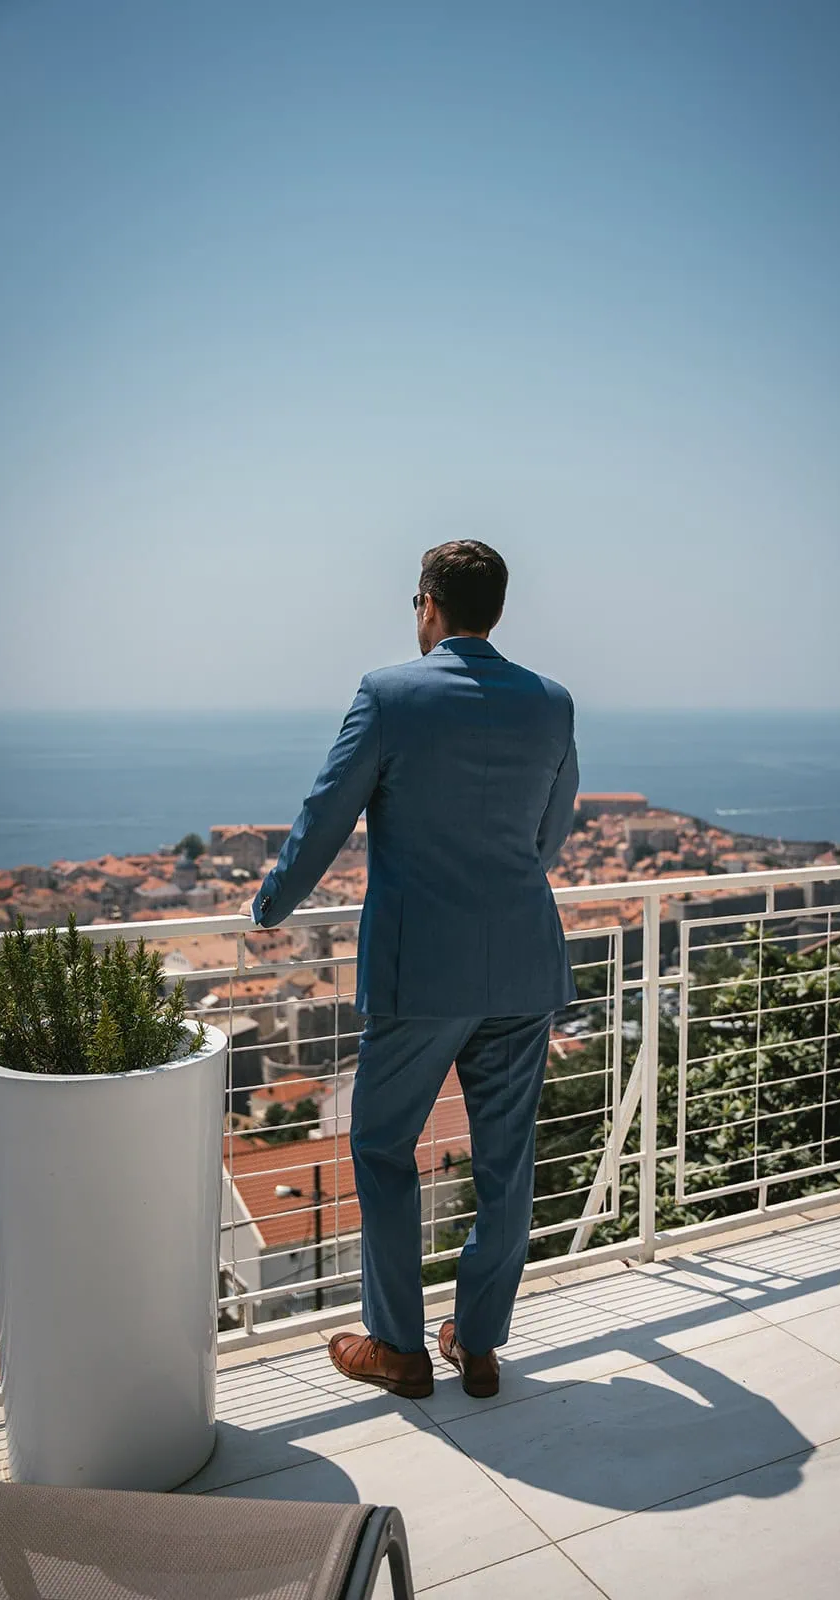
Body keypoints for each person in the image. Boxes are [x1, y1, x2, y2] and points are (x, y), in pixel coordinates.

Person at [246, 540, 578, 1400]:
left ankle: (397, 1347)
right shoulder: (550, 701)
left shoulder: (388, 693)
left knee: (382, 1146)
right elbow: (548, 834)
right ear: (495, 610)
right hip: (522, 960)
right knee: (505, 1162)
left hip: (421, 971)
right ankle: (478, 1343)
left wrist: (270, 905)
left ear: (427, 603)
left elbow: (326, 812)